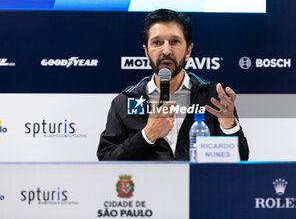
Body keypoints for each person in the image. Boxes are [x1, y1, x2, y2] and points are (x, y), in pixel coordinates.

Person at [97, 9, 249, 161]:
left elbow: (241, 160)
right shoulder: (124, 101)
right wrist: (147, 136)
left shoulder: (212, 97)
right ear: (146, 52)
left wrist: (229, 127)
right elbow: (106, 159)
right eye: (157, 43)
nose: (166, 50)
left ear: (188, 50)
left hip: (198, 183)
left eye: (175, 42)